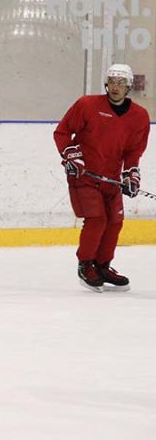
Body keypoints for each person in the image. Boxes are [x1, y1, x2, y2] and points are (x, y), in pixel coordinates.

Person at [54, 63, 150, 292]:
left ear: (129, 86)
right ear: (107, 84)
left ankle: (102, 266)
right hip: (84, 175)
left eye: (121, 83)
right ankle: (86, 265)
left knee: (115, 222)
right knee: (97, 219)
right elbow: (62, 132)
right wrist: (72, 157)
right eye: (112, 82)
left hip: (111, 179)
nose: (115, 87)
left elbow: (133, 151)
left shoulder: (139, 116)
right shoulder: (87, 105)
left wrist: (131, 175)